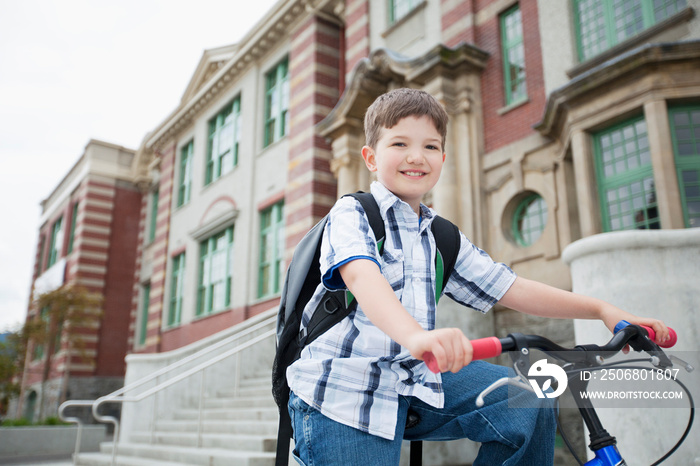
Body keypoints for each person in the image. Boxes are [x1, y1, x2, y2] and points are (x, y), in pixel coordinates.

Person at [285, 88, 669, 465]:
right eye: (399, 144)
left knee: (530, 398)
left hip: (415, 378)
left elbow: (510, 287)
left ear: (443, 157)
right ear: (370, 157)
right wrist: (417, 336)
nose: (416, 157)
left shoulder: (440, 235)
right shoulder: (352, 212)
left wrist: (602, 309)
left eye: (430, 147)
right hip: (344, 389)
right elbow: (361, 275)